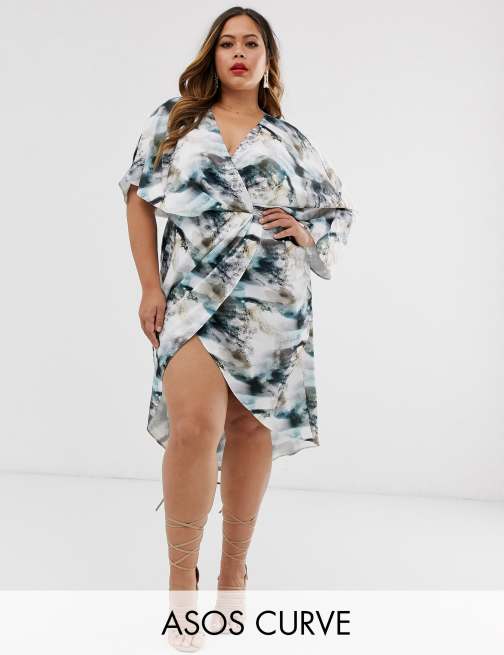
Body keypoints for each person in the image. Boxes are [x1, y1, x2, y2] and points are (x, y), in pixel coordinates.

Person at [118, 6, 353, 651]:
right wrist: (149, 286)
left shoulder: (289, 140)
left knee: (251, 428)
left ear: (268, 60)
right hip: (192, 295)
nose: (240, 53)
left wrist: (304, 229)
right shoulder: (174, 121)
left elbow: (336, 210)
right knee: (194, 428)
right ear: (214, 55)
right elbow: (138, 197)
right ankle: (181, 581)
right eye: (228, 44)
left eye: (252, 44)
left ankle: (232, 574)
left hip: (274, 300)